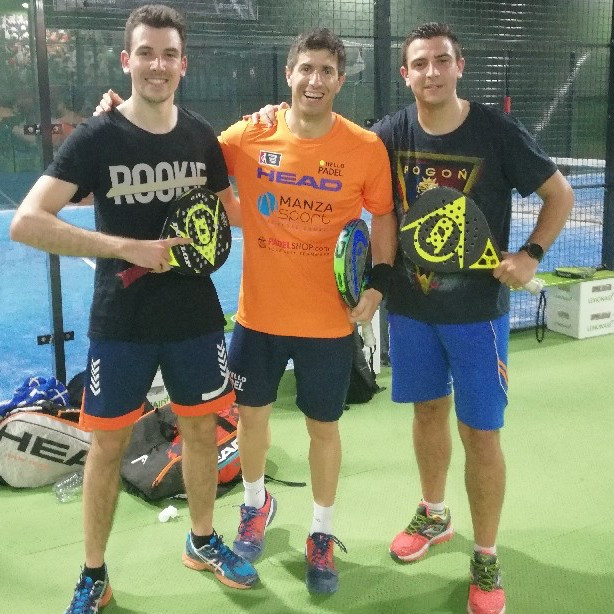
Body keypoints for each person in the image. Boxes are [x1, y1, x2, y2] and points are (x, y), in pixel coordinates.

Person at [96, 27, 396, 595]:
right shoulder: (251, 133)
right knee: (251, 420)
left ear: (340, 80)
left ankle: (321, 533)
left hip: (329, 323)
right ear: (289, 74)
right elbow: (184, 150)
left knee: (324, 429)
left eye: (327, 71)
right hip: (258, 318)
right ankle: (255, 505)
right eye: (306, 68)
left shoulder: (364, 147)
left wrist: (379, 282)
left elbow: (382, 216)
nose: (315, 80)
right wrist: (122, 118)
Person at [10, 5, 259, 613]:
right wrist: (126, 248)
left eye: (169, 54)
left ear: (184, 64)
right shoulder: (97, 138)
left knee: (200, 432)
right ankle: (94, 574)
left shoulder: (201, 137)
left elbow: (230, 212)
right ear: (127, 60)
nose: (158, 65)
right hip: (120, 321)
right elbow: (27, 222)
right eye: (146, 53)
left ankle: (202, 540)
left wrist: (274, 135)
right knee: (107, 448)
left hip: (195, 317)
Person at [371, 22, 574, 614]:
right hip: (411, 310)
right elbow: (330, 146)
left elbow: (559, 194)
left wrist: (531, 254)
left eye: (442, 60)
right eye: (419, 63)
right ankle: (434, 514)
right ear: (405, 74)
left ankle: (485, 555)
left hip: (477, 315)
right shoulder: (390, 133)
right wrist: (279, 114)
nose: (431, 72)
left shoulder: (496, 131)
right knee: (427, 413)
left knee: (480, 433)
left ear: (460, 66)